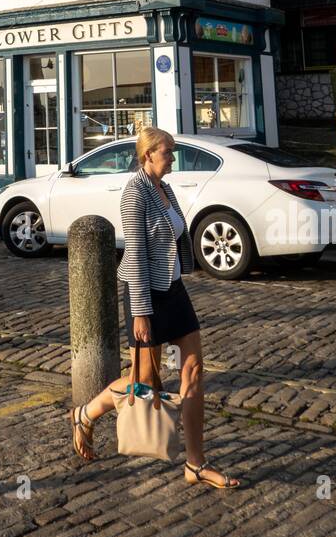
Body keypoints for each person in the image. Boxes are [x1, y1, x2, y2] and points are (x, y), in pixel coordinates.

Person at [69, 126, 239, 489]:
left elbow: (175, 234)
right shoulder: (134, 195)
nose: (173, 156)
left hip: (173, 289)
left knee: (193, 370)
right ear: (148, 155)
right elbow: (138, 255)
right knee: (143, 382)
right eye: (168, 151)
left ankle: (195, 463)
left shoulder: (166, 188)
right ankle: (84, 414)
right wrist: (142, 312)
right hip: (145, 293)